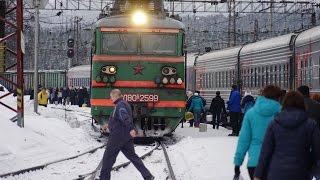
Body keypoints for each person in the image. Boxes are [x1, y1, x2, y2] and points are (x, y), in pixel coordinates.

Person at [254, 91, 320, 180]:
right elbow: (317, 151)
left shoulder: (274, 124)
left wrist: (258, 174)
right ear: (302, 104)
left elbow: (265, 152)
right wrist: (311, 165)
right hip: (301, 172)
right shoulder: (310, 125)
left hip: (276, 173)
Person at [100, 89, 154, 180]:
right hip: (125, 137)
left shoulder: (120, 105)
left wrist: (131, 128)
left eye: (111, 96)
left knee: (107, 158)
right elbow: (119, 119)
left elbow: (124, 116)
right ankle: (148, 176)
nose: (110, 98)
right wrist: (108, 125)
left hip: (117, 137)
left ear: (116, 95)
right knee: (133, 157)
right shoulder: (124, 104)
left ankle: (103, 178)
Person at [233, 85, 282, 180]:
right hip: (277, 163)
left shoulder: (251, 113)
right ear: (278, 97)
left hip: (254, 163)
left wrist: (238, 163)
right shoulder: (282, 113)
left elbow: (244, 141)